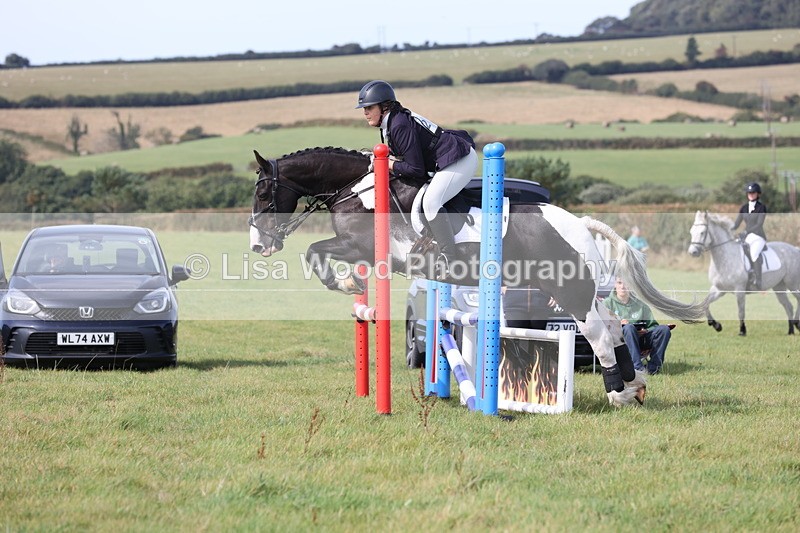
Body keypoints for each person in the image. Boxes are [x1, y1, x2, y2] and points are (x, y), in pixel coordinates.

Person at [355, 80, 478, 278]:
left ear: (384, 106)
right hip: (444, 161)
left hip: (459, 160)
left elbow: (415, 170)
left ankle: (449, 258)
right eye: (364, 108)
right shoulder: (393, 122)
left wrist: (389, 164)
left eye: (369, 107)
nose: (365, 113)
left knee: (431, 202)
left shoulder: (399, 125)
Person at [603, 277, 671, 375]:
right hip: (618, 342)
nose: (623, 287)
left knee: (664, 330)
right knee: (629, 328)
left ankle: (653, 369)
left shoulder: (640, 305)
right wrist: (619, 324)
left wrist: (646, 330)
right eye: (619, 283)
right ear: (615, 284)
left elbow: (653, 325)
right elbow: (602, 326)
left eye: (626, 283)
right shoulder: (607, 303)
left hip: (640, 339)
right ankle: (637, 368)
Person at [732, 182, 767, 291]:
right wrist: (727, 229)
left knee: (754, 253)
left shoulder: (762, 207)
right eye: (749, 193)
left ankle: (758, 279)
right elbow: (736, 224)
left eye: (753, 193)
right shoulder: (744, 208)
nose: (751, 194)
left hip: (758, 236)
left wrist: (746, 232)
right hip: (748, 237)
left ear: (758, 194)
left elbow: (759, 224)